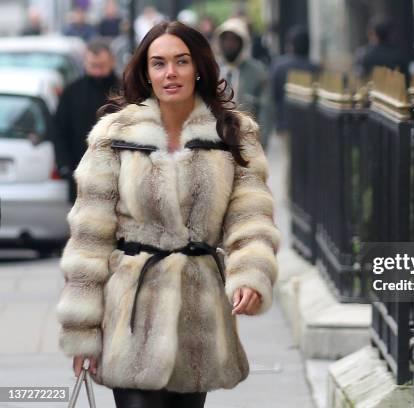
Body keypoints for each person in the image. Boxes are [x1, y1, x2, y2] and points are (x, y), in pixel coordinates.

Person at [55, 21, 279, 408]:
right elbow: (89, 239)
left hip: (199, 314)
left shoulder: (232, 134)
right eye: (158, 63)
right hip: (130, 311)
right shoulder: (114, 134)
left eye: (181, 61)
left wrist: (250, 274)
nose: (170, 73)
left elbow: (251, 218)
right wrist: (83, 332)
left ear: (199, 67)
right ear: (145, 72)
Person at [54, 38, 120, 202]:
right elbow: (59, 131)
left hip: (118, 174)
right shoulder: (72, 91)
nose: (97, 72)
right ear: (85, 63)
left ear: (112, 62)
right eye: (93, 66)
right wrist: (65, 166)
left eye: (101, 66)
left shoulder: (125, 89)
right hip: (80, 173)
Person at [214, 18, 270, 147]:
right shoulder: (212, 68)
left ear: (243, 43)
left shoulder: (257, 71)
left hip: (246, 141)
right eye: (226, 39)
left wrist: (261, 143)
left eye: (234, 40)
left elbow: (266, 110)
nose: (229, 44)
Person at [270, 25, 319, 134]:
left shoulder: (279, 66)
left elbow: (273, 95)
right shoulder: (315, 68)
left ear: (290, 45)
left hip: (285, 121)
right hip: (310, 123)